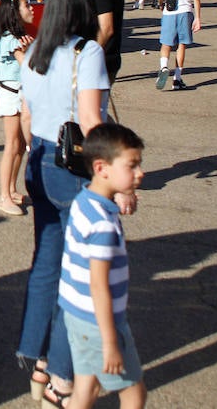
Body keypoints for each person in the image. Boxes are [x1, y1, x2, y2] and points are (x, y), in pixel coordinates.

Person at [17, 0, 122, 409]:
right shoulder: (88, 52)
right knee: (76, 276)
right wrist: (116, 176)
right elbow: (91, 120)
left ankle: (36, 355)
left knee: (45, 262)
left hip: (38, 159)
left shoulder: (34, 53)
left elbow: (25, 117)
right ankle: (61, 375)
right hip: (72, 165)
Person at [60, 123, 148, 409]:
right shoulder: (102, 225)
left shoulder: (84, 201)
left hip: (77, 314)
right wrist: (110, 342)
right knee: (134, 395)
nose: (140, 173)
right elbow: (99, 286)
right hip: (100, 323)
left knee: (86, 388)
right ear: (101, 168)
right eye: (132, 166)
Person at [0, 0, 34, 215]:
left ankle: (12, 189)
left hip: (18, 94)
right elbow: (27, 67)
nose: (31, 9)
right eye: (26, 6)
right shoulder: (11, 38)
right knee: (12, 145)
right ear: (15, 13)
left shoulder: (17, 36)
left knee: (20, 146)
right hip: (11, 94)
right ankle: (4, 195)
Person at [155, 0, 201, 91]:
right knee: (182, 44)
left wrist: (162, 3)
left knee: (166, 44)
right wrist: (198, 18)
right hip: (186, 12)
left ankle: (163, 67)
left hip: (169, 13)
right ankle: (177, 78)